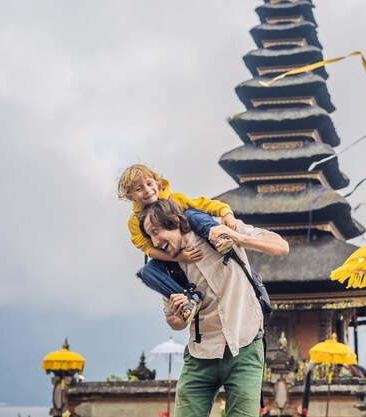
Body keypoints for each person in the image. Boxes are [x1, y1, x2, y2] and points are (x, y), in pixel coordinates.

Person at [137, 199, 289, 417]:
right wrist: (180, 313)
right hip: (201, 356)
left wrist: (238, 237)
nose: (154, 241)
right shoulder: (168, 271)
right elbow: (176, 324)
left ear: (175, 222)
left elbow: (281, 246)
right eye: (149, 236)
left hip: (244, 347)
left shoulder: (218, 230)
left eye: (156, 231)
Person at [117, 163, 237, 297]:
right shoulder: (134, 222)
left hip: (189, 237)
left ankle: (219, 239)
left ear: (157, 183)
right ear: (130, 196)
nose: (147, 190)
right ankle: (187, 298)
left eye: (149, 184)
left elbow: (204, 204)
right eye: (139, 189)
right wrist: (178, 257)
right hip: (169, 253)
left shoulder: (174, 200)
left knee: (192, 215)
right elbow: (149, 249)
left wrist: (226, 213)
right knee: (147, 272)